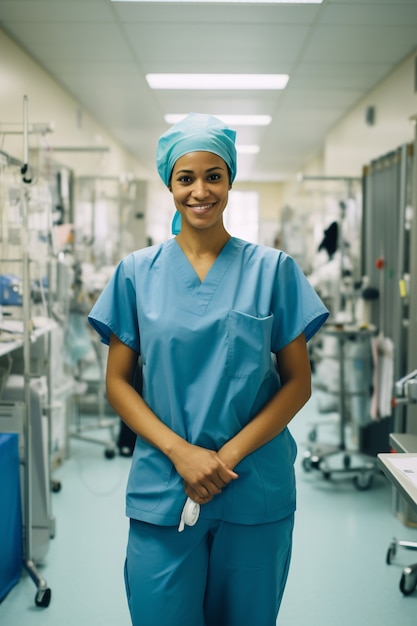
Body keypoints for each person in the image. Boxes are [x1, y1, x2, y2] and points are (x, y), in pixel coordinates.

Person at [88, 113, 329, 626]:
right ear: (170, 185)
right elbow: (117, 382)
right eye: (186, 178)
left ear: (230, 181)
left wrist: (223, 458)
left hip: (252, 484)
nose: (200, 190)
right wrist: (183, 455)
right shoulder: (136, 273)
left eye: (213, 176)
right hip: (164, 483)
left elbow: (298, 383)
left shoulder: (273, 270)